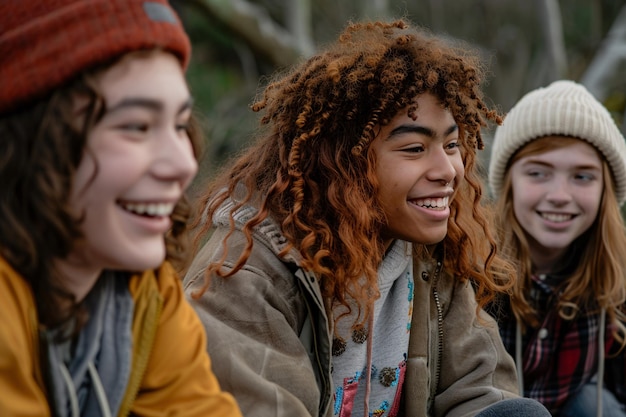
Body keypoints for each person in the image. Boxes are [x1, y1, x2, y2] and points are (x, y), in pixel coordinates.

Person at [184, 19, 550, 417]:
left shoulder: (433, 257)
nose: (448, 170)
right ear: (343, 163)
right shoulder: (243, 275)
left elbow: (481, 393)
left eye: (451, 144)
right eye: (414, 148)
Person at [0, 1, 242, 416]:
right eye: (136, 126)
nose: (184, 163)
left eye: (181, 125)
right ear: (34, 139)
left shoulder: (143, 293)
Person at [487, 80, 626, 416]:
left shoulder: (616, 279)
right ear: (509, 185)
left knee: (598, 406)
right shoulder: (468, 270)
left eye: (582, 177)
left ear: (605, 190)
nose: (560, 195)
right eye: (538, 173)